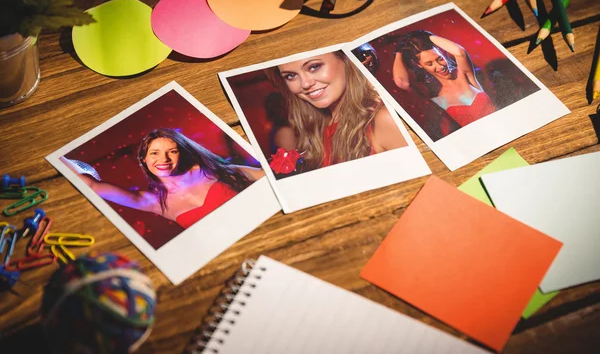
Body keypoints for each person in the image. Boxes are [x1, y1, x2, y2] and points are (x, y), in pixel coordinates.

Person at [61, 128, 264, 229]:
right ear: (144, 159)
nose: (163, 159)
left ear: (181, 153)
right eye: (154, 153)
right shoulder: (154, 202)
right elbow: (91, 184)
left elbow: (269, 176)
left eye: (171, 151)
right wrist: (57, 156)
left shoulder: (210, 171)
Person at [264, 50, 406, 172]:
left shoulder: (382, 120)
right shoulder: (315, 130)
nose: (305, 84)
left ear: (345, 60)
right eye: (291, 76)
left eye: (314, 67)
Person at [392, 30, 496, 128]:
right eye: (429, 64)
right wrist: (398, 52)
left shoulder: (462, 73)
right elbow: (401, 82)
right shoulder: (432, 93)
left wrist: (427, 36)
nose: (440, 67)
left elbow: (459, 52)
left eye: (440, 58)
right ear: (419, 65)